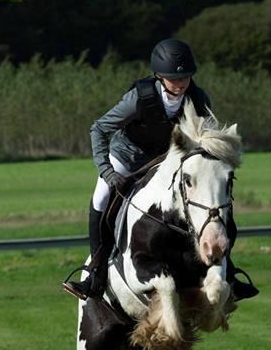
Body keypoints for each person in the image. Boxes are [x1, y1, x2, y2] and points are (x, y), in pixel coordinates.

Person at [62, 38, 258, 302]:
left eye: (185, 77)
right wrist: (108, 171)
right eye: (173, 78)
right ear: (159, 76)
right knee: (101, 196)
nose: (179, 83)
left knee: (215, 201)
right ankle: (95, 272)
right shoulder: (139, 99)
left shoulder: (199, 99)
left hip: (168, 158)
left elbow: (207, 138)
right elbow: (98, 129)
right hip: (127, 156)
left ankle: (228, 271)